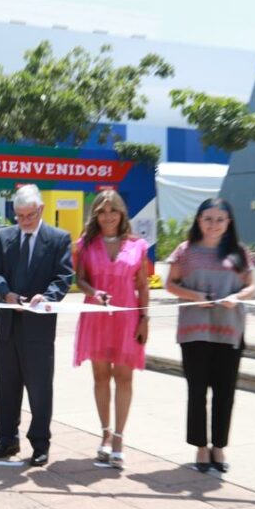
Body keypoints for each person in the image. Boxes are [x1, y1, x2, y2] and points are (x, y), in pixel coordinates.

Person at [165, 198, 255, 474]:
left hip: (229, 331)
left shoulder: (239, 252)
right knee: (197, 391)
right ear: (198, 220)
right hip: (195, 332)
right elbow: (170, 284)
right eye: (208, 218)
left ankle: (219, 446)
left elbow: (251, 287)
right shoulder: (185, 251)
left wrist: (237, 296)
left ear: (229, 222)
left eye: (220, 219)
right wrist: (195, 296)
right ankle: (200, 447)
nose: (213, 224)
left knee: (225, 392)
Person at [0, 184, 73, 466]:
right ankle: (7, 439)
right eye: (19, 216)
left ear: (41, 210)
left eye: (30, 215)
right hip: (9, 325)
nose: (24, 221)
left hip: (39, 327)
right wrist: (5, 293)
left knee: (39, 388)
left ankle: (40, 443)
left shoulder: (58, 238)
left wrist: (47, 297)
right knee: (7, 387)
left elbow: (64, 276)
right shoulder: (3, 236)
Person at [72, 190, 150, 469]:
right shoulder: (86, 244)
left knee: (125, 378)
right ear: (95, 214)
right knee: (101, 376)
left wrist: (144, 319)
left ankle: (119, 438)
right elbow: (79, 280)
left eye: (113, 210)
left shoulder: (137, 245)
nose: (108, 216)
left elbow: (142, 285)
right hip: (97, 315)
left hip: (127, 317)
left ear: (122, 213)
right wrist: (94, 292)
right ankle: (104, 435)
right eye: (102, 211)